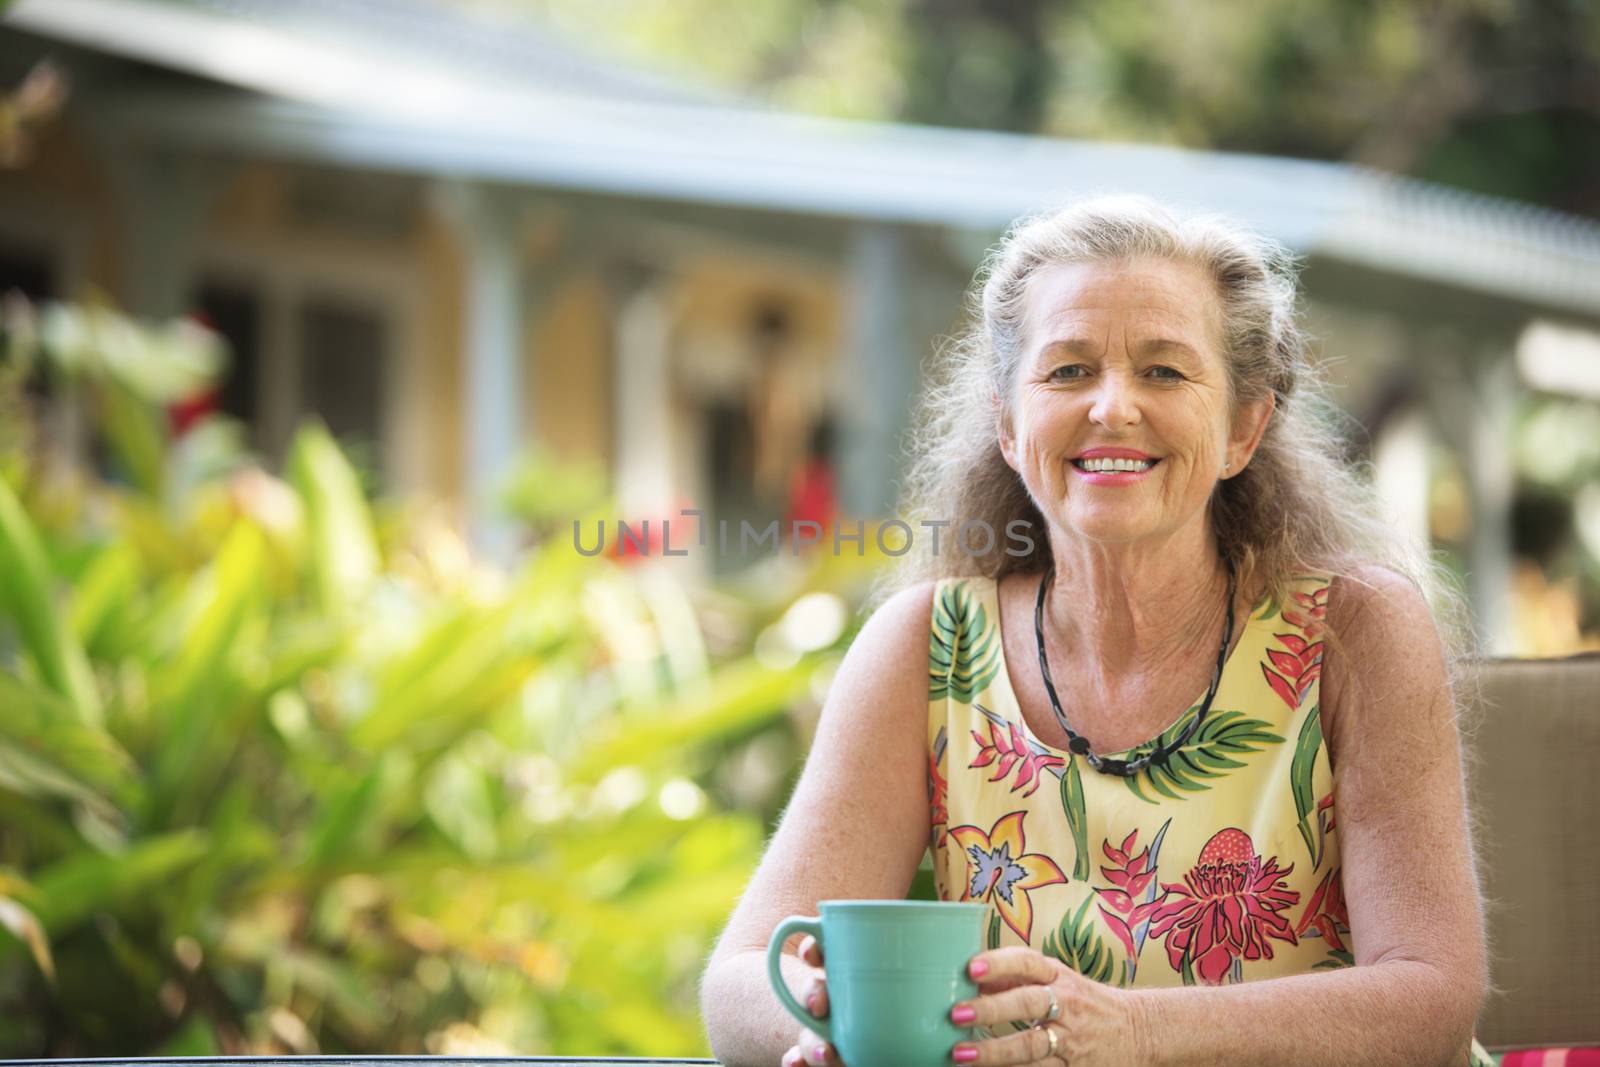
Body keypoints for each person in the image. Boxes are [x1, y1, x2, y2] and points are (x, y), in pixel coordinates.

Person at [700, 196, 1493, 1067]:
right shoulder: (927, 646)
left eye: (1164, 372)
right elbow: (740, 980)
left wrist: (1131, 1031)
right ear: (1009, 423)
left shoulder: (1353, 628)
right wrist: (829, 1022)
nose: (1112, 407)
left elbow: (1430, 996)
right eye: (1069, 371)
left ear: (1243, 427)